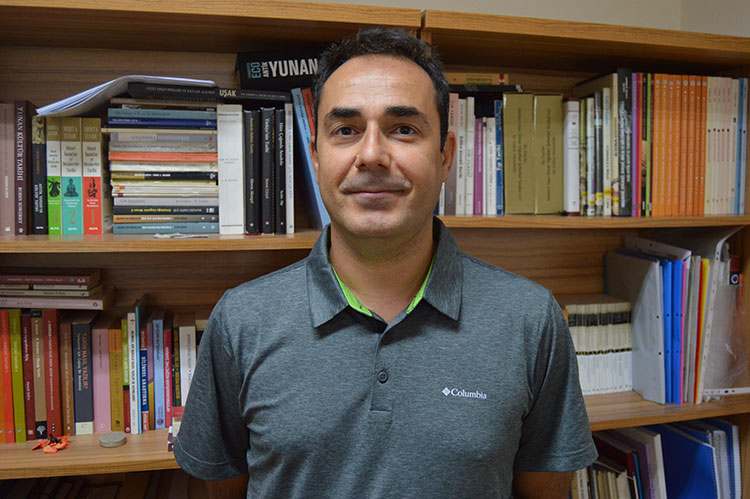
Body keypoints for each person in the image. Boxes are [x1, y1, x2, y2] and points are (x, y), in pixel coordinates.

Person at [174, 27, 597, 498]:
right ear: (316, 158)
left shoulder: (531, 320)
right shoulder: (240, 321)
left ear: (446, 156)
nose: (372, 155)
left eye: (403, 129)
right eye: (346, 130)